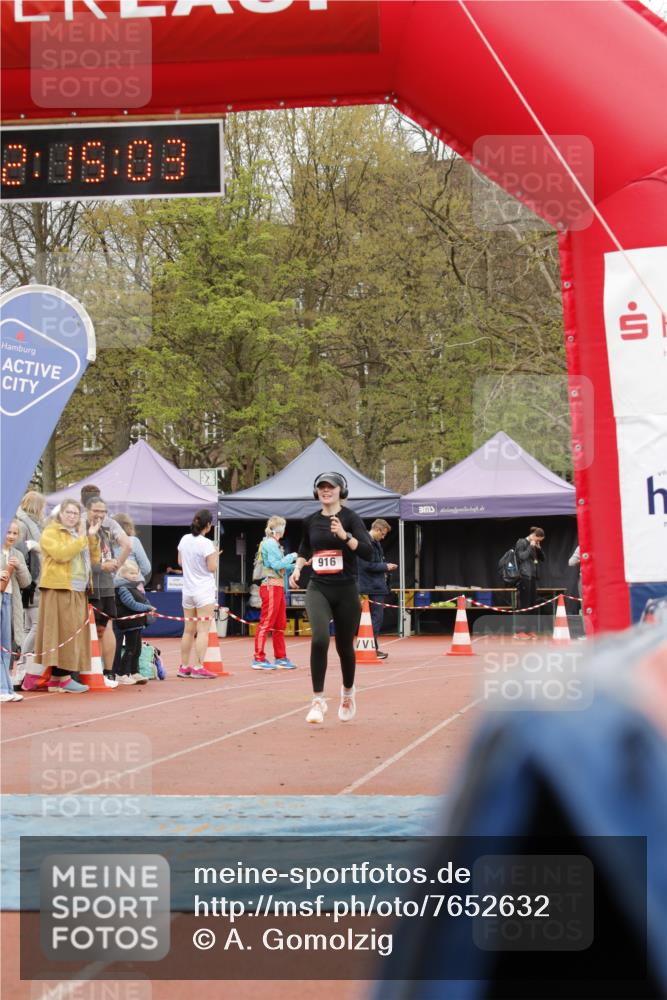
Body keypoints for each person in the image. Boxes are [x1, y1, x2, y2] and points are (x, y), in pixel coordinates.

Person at [289, 472, 374, 725]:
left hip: (346, 589)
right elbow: (305, 548)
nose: (326, 491)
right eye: (321, 487)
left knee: (345, 647)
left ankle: (348, 693)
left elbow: (368, 552)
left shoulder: (350, 518)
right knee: (319, 638)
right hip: (319, 587)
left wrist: (345, 536)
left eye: (331, 487)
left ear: (341, 491)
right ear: (317, 492)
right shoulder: (309, 521)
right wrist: (297, 568)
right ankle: (318, 700)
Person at [32, 499, 101, 694]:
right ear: (60, 514)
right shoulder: (51, 532)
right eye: (68, 512)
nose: (72, 516)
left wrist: (92, 537)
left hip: (78, 589)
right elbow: (61, 555)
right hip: (59, 588)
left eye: (75, 513)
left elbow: (94, 559)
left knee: (71, 634)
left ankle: (58, 678)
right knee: (61, 633)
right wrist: (82, 539)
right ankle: (62, 678)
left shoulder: (78, 534)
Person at [177, 508, 221, 679]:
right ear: (208, 525)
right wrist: (215, 556)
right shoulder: (207, 544)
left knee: (188, 630)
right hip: (203, 590)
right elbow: (212, 567)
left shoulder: (184, 539)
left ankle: (184, 666)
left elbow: (180, 561)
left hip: (187, 590)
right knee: (203, 630)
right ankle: (198, 666)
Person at [252, 516, 298, 671]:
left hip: (277, 587)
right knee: (266, 623)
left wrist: (297, 564)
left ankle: (280, 657)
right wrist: (293, 557)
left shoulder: (275, 544)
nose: (285, 529)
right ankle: (258, 658)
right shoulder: (270, 543)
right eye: (283, 526)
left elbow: (280, 568)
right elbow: (276, 565)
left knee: (280, 624)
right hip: (270, 586)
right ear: (279, 528)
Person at [111, 513, 151, 676]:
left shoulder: (106, 543)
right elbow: (147, 568)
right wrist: (134, 574)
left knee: (114, 634)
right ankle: (132, 671)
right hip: (132, 589)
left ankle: (113, 671)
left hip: (111, 592)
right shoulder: (133, 542)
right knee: (135, 634)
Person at [15, 490, 46, 683]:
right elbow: (22, 552)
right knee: (36, 624)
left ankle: (23, 667)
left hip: (29, 580)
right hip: (33, 581)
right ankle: (21, 664)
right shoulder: (27, 525)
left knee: (28, 625)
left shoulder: (24, 523)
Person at [356, 518, 397, 659]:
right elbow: (366, 566)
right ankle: (371, 648)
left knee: (374, 617)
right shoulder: (365, 543)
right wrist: (385, 566)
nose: (384, 537)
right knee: (375, 617)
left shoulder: (375, 543)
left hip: (376, 585)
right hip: (370, 586)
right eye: (383, 534)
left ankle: (372, 647)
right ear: (378, 530)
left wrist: (385, 565)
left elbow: (374, 563)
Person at [1, 520, 31, 703]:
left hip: (9, 601)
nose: (11, 536)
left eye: (14, 533)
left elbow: (26, 582)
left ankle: (7, 686)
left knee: (6, 646)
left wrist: (19, 566)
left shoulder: (17, 554)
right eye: (8, 532)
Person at [114, 562, 153, 685]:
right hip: (128, 622)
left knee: (137, 649)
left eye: (136, 573)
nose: (135, 576)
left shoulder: (133, 586)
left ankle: (134, 671)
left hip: (136, 623)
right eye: (131, 573)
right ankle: (122, 673)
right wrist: (147, 607)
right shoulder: (122, 587)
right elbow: (130, 603)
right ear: (123, 574)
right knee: (130, 649)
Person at [515, 526, 545, 639]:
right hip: (524, 576)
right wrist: (530, 547)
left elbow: (543, 559)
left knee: (532, 604)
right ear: (533, 536)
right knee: (524, 604)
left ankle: (529, 630)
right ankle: (519, 631)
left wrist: (539, 548)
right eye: (538, 540)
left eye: (540, 541)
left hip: (533, 577)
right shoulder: (521, 542)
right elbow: (521, 557)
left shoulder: (535, 545)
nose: (538, 542)